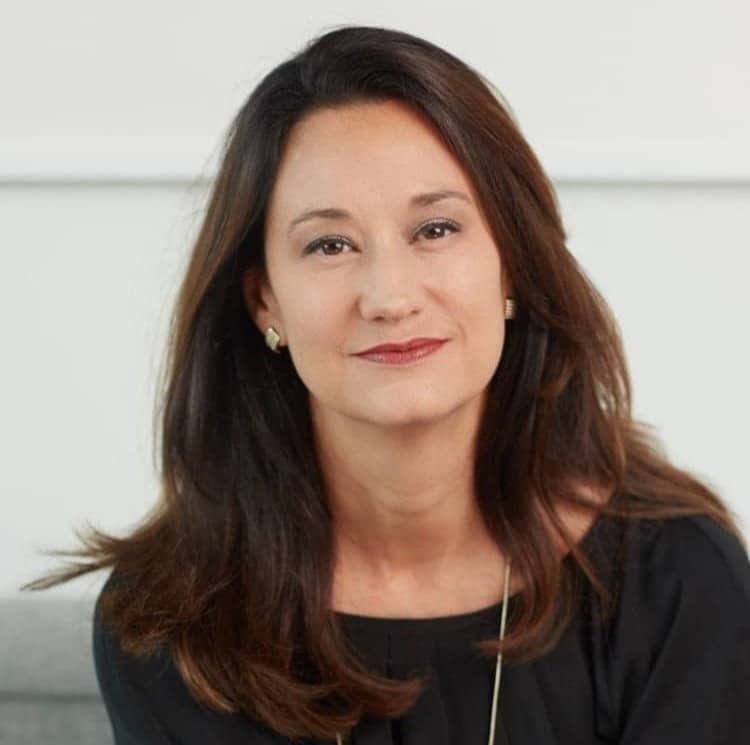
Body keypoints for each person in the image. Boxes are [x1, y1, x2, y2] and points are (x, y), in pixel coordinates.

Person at [22, 24, 750, 744]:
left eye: (435, 229)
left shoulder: (682, 584)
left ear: (512, 266)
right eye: (330, 244)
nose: (390, 296)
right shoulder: (174, 622)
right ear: (264, 301)